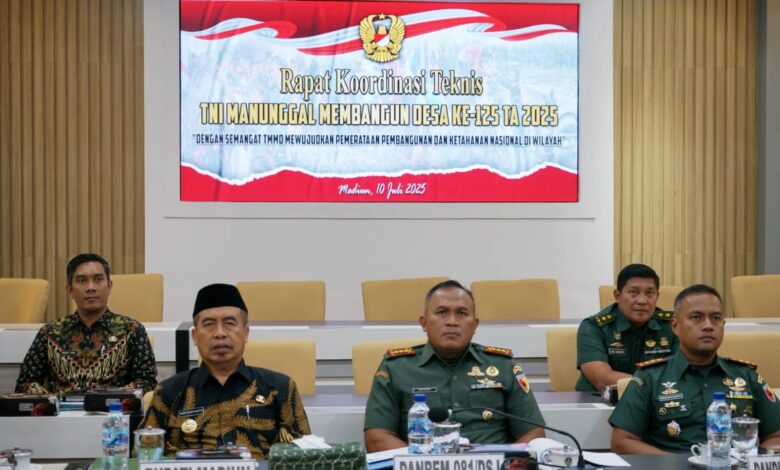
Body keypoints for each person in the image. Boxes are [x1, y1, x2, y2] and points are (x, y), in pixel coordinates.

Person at [364, 280, 545, 452]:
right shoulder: (396, 368)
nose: (452, 321)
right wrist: (423, 463)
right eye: (441, 312)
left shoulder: (503, 366)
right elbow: (377, 438)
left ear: (475, 325)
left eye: (462, 313)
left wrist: (512, 463)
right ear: (424, 323)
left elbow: (534, 433)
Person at [140, 283, 310, 459]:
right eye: (209, 324)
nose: (220, 333)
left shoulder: (279, 388)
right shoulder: (169, 392)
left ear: (245, 333)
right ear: (195, 336)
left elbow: (306, 457)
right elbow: (144, 457)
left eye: (229, 323)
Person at [609, 284, 780, 453]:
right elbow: (622, 442)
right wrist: (675, 464)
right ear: (675, 326)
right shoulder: (650, 377)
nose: (708, 326)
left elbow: (776, 436)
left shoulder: (745, 376)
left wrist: (750, 460)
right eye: (696, 317)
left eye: (716, 318)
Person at [15, 253, 157, 394]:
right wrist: (53, 400)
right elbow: (25, 383)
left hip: (114, 408)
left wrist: (109, 398)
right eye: (82, 280)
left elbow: (147, 382)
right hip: (61, 408)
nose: (91, 287)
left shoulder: (132, 330)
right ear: (70, 290)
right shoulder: (50, 333)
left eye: (98, 279)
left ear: (109, 286)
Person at [575, 263, 677, 391]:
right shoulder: (594, 327)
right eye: (633, 292)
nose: (642, 301)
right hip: (602, 400)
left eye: (649, 293)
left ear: (657, 296)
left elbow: (684, 371)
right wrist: (650, 385)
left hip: (658, 400)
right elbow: (602, 379)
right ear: (617, 296)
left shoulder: (672, 326)